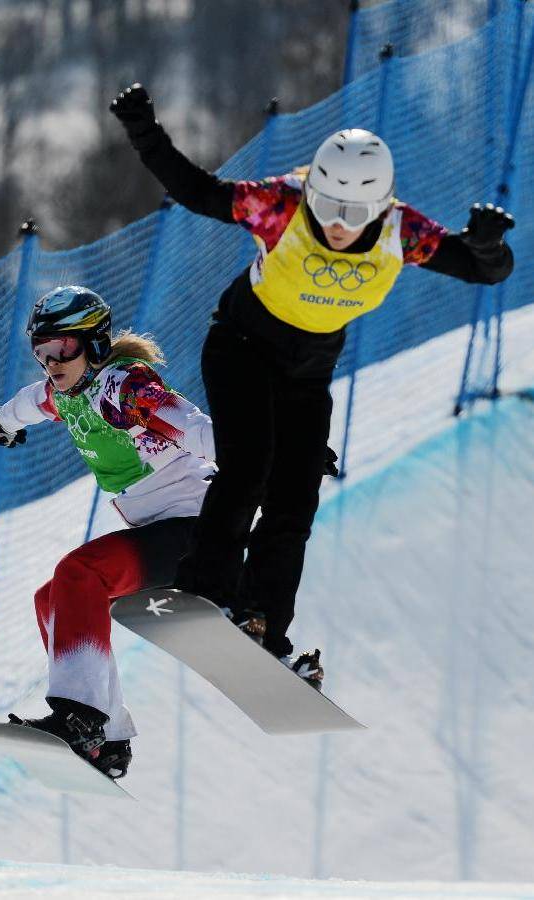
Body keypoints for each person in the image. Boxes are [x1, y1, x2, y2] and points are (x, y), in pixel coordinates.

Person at [110, 83, 515, 678]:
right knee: (248, 466)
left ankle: (261, 623)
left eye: (356, 215)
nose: (340, 226)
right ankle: (204, 589)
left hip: (306, 374)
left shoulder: (401, 231)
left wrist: (488, 246)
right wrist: (144, 130)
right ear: (314, 191)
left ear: (380, 207)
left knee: (295, 497)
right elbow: (197, 191)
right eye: (330, 209)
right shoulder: (284, 205)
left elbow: (483, 272)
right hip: (242, 347)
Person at [0, 284, 217, 779]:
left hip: (199, 527)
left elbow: (198, 430)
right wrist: (4, 422)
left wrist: (284, 459)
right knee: (51, 600)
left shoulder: (125, 388)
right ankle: (106, 740)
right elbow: (31, 403)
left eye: (62, 347)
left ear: (93, 343)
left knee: (79, 573)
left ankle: (79, 718)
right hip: (159, 530)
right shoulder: (64, 392)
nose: (51, 361)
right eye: (41, 350)